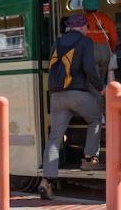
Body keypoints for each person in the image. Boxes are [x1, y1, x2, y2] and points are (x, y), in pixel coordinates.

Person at [39, 14, 105, 200]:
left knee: (54, 138)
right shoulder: (85, 41)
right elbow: (89, 68)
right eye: (87, 26)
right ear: (82, 27)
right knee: (95, 119)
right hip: (77, 94)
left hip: (56, 96)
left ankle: (47, 180)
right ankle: (90, 158)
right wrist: (101, 88)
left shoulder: (57, 43)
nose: (88, 29)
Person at [83, 0, 119, 86]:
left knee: (92, 80)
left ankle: (96, 99)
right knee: (101, 79)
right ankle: (103, 97)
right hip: (105, 51)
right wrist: (111, 50)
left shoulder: (82, 19)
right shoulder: (106, 18)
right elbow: (114, 38)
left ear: (85, 5)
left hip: (89, 50)